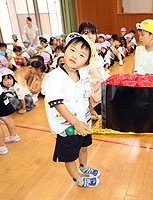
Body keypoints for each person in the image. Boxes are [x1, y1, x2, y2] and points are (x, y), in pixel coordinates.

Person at [41, 32, 100, 187]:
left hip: (84, 123)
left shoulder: (84, 75)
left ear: (86, 62)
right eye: (72, 50)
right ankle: (77, 179)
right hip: (67, 126)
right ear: (65, 50)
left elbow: (86, 95)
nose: (74, 56)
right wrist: (75, 123)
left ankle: (84, 167)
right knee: (69, 157)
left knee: (84, 147)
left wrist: (91, 110)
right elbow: (57, 103)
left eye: (81, 55)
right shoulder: (54, 77)